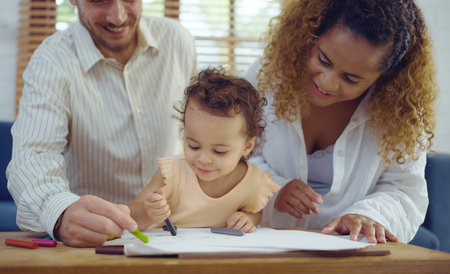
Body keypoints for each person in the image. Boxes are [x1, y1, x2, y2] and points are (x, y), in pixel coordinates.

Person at [6, 0, 197, 247]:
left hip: (174, 232)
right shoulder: (52, 59)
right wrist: (62, 212)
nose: (117, 17)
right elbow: (33, 156)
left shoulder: (178, 40)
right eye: (99, 0)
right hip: (96, 240)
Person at [246, 0, 438, 243]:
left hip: (349, 254)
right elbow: (234, 153)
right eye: (324, 60)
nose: (327, 83)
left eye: (350, 78)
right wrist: (274, 189)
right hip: (264, 243)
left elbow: (405, 191)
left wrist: (367, 215)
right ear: (311, 37)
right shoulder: (268, 76)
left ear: (384, 77)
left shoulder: (401, 112)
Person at [129, 68, 280, 232]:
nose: (203, 159)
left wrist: (247, 219)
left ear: (247, 146)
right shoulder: (172, 173)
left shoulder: (253, 181)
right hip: (171, 254)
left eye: (219, 151)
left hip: (217, 256)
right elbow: (132, 217)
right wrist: (149, 212)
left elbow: (254, 211)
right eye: (193, 146)